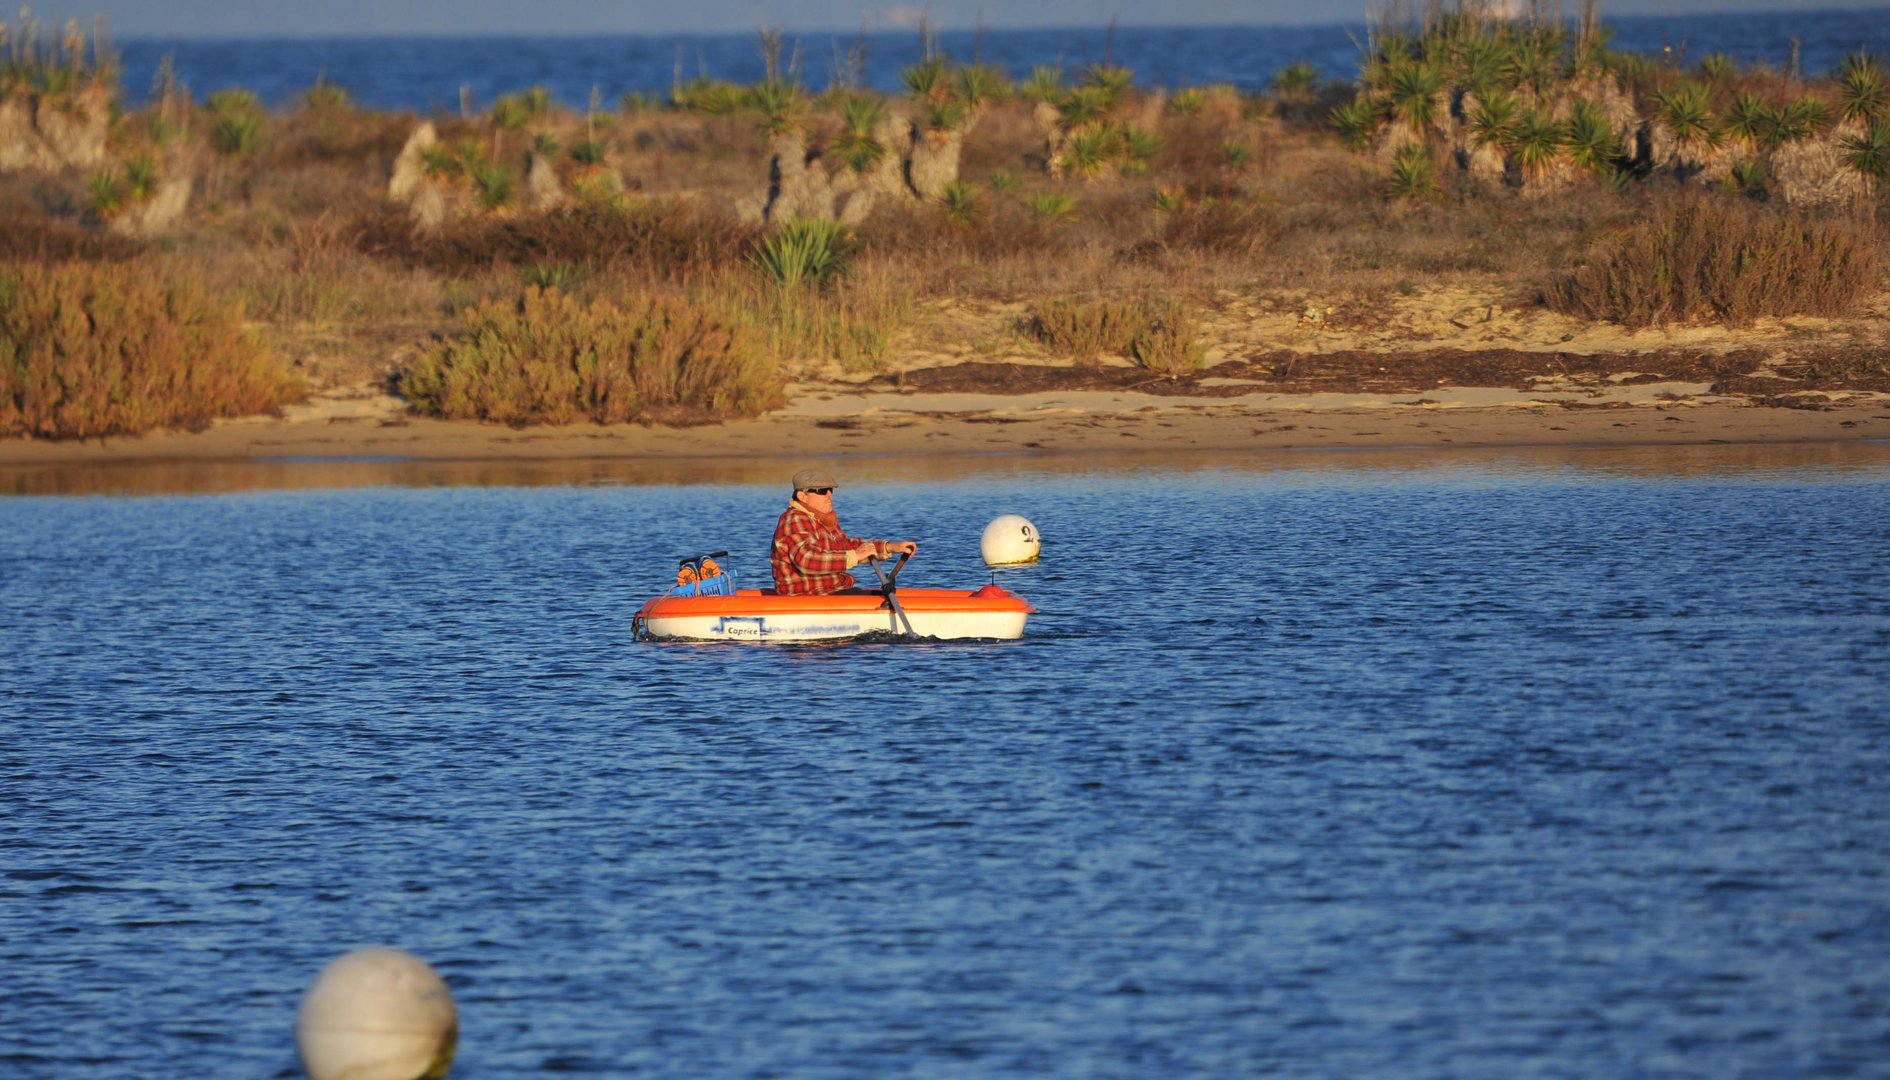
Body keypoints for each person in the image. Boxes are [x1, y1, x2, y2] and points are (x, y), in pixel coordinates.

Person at [770, 468, 918, 595]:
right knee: (877, 598)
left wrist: (889, 547)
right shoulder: (795, 518)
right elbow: (808, 560)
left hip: (831, 592)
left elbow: (845, 545)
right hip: (809, 596)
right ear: (802, 496)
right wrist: (855, 556)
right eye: (821, 491)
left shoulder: (823, 520)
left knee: (879, 594)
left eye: (831, 490)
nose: (829, 495)